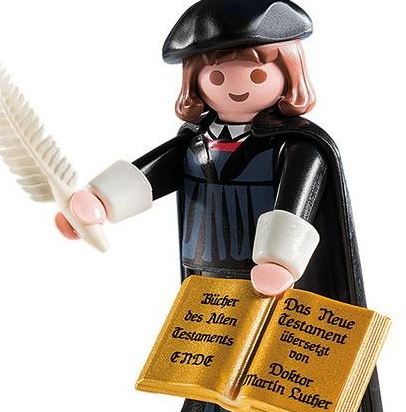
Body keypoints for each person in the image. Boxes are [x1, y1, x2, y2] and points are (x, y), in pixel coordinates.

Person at [56, 1, 383, 411]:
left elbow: (295, 202)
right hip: (206, 283)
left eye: (257, 74)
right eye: (217, 75)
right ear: (195, 80)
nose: (236, 86)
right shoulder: (193, 143)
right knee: (210, 376)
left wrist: (279, 260)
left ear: (289, 72)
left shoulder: (297, 146)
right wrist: (98, 202)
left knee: (268, 377)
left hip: (269, 284)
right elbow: (148, 177)